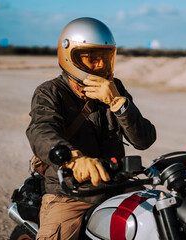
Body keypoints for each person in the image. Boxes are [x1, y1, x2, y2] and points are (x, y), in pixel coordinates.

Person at [26, 17, 156, 239]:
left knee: (158, 219)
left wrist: (119, 103)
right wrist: (73, 159)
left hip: (116, 185)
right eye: (90, 58)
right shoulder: (50, 92)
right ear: (69, 57)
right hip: (70, 193)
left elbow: (143, 140)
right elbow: (41, 131)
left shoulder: (115, 88)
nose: (99, 66)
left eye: (103, 59)